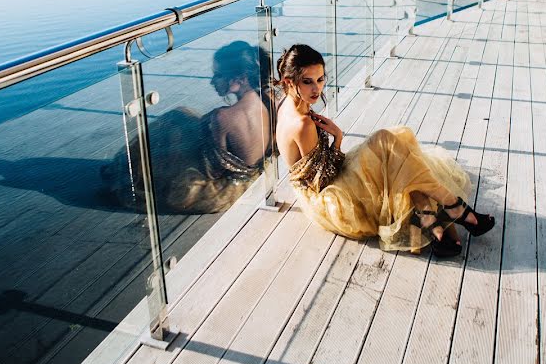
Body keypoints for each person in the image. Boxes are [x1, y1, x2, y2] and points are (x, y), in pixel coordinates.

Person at [274, 44, 494, 257]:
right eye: (308, 81)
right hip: (328, 199)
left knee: (395, 151)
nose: (316, 89)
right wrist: (338, 138)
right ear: (289, 82)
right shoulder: (302, 124)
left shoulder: (285, 103)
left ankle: (432, 220)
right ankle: (454, 207)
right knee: (392, 150)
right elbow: (320, 182)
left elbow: (311, 166)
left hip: (322, 180)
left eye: (320, 79)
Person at [102, 40, 270, 213]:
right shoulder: (262, 102)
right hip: (251, 176)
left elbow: (212, 171)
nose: (212, 82)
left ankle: (125, 168)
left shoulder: (223, 117)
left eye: (218, 75)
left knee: (172, 128)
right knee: (181, 114)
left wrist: (178, 151)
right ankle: (128, 166)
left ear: (241, 78)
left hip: (222, 189)